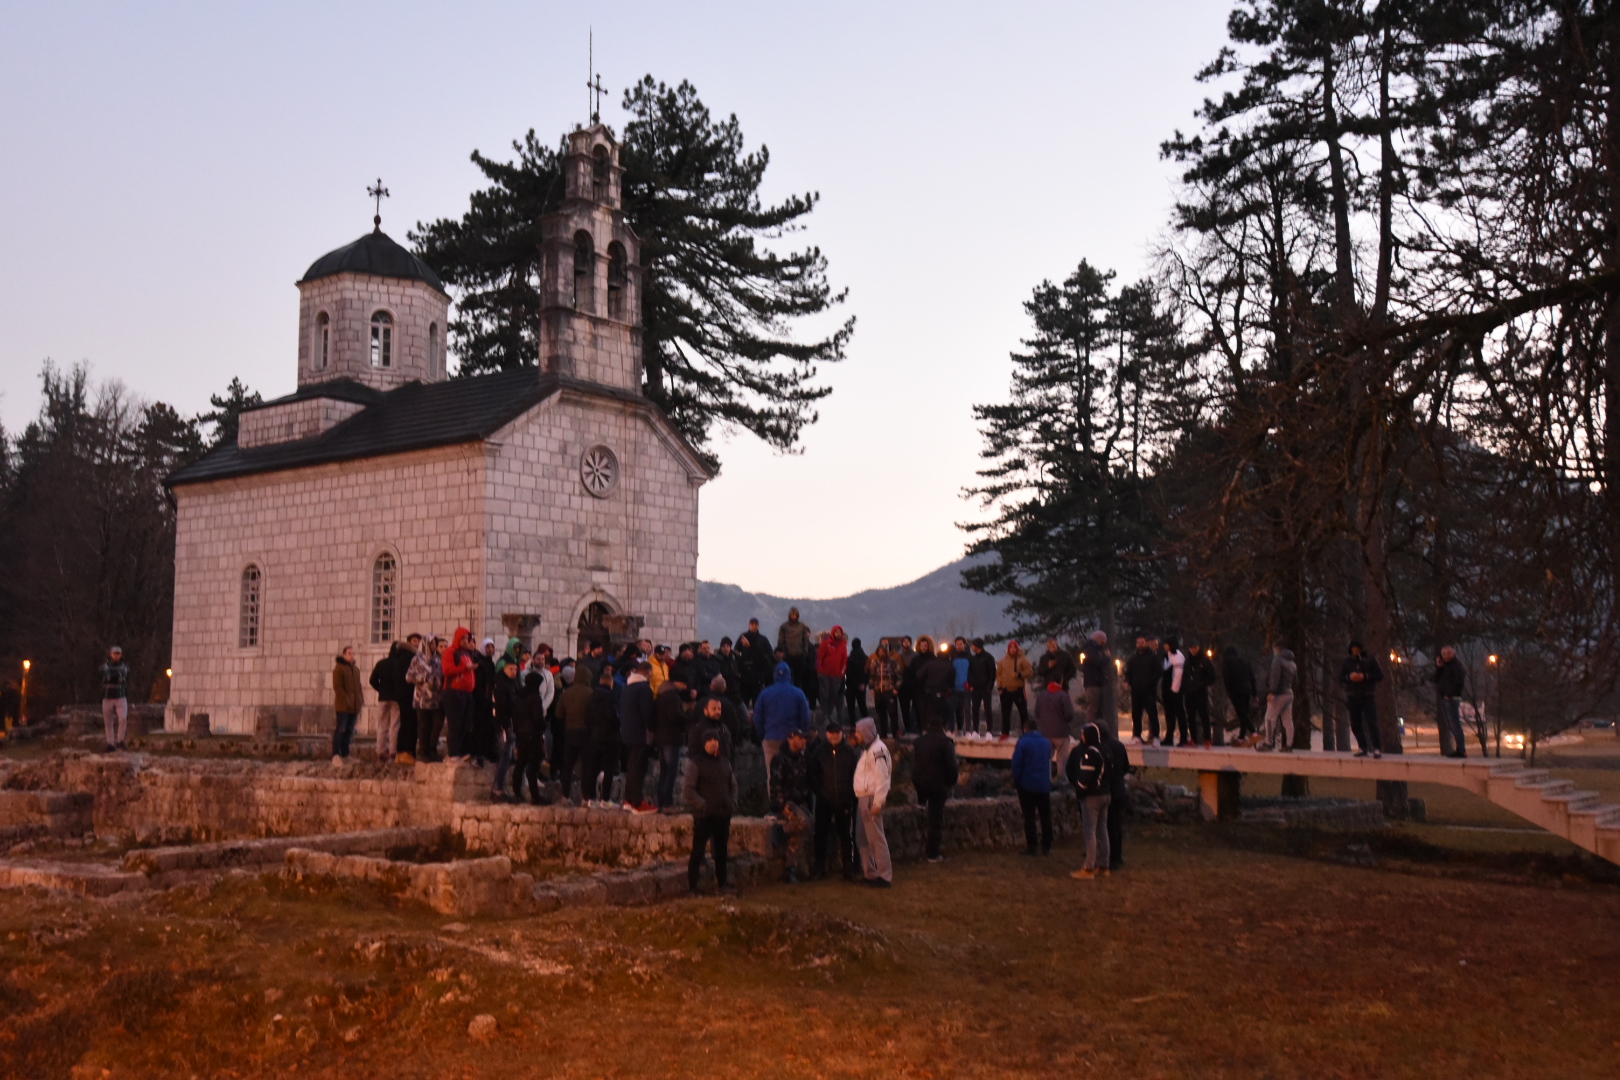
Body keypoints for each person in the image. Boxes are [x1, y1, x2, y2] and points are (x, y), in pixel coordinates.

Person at [684, 726, 738, 894]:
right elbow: (688, 790)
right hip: (705, 815)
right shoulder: (696, 764)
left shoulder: (724, 762)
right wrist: (703, 805)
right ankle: (693, 886)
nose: (714, 743)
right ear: (704, 743)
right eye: (710, 740)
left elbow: (732, 784)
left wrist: (732, 803)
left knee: (721, 851)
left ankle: (722, 883)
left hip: (723, 813)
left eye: (715, 740)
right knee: (698, 851)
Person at [807, 722, 859, 880]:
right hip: (825, 800)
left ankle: (848, 868)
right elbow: (813, 775)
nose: (834, 737)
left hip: (844, 799)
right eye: (831, 734)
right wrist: (820, 792)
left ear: (842, 733)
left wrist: (850, 793)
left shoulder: (850, 752)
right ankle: (819, 867)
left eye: (837, 733)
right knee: (820, 835)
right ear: (827, 734)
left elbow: (856, 775)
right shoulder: (819, 752)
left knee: (846, 836)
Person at [754, 661, 811, 788]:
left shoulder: (765, 693)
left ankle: (775, 804)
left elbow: (757, 718)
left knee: (772, 774)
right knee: (796, 773)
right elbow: (805, 718)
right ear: (789, 675)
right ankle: (795, 803)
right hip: (793, 739)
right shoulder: (798, 693)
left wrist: (763, 735)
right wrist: (802, 736)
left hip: (771, 738)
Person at [912, 713, 959, 862]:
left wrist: (917, 784)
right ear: (942, 727)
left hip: (921, 785)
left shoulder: (919, 742)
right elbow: (952, 767)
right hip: (939, 785)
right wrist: (950, 783)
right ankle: (933, 853)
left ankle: (921, 849)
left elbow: (914, 765)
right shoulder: (946, 742)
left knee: (926, 817)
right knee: (935, 820)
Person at [1066, 722, 1111, 880]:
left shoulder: (1090, 753)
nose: (1082, 736)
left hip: (1093, 796)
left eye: (1083, 733)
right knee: (1102, 829)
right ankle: (1104, 864)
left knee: (1090, 831)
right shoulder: (1105, 750)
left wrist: (1079, 790)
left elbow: (1085, 777)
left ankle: (1089, 867)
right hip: (1106, 793)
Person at [851, 717, 893, 887]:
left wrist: (878, 802)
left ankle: (884, 875)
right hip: (863, 797)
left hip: (870, 798)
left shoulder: (877, 751)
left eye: (858, 732)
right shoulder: (868, 750)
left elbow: (882, 778)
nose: (856, 736)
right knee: (862, 838)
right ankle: (870, 873)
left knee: (876, 838)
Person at [769, 726, 814, 882]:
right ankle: (781, 831)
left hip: (800, 801)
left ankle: (791, 868)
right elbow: (775, 783)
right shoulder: (780, 758)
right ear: (791, 738)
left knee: (800, 832)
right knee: (802, 822)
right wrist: (781, 805)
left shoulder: (802, 758)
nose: (803, 741)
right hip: (787, 802)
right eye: (800, 738)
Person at [1010, 718, 1053, 856]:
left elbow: (1016, 764)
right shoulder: (1046, 743)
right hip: (1043, 784)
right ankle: (1047, 845)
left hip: (1027, 784)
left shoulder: (1022, 743)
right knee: (1045, 816)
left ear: (1025, 729)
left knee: (1029, 817)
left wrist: (1016, 781)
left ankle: (1032, 846)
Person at [620, 661, 657, 813]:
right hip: (640, 733)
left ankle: (629, 800)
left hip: (627, 732)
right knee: (638, 768)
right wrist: (653, 728)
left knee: (631, 767)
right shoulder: (644, 689)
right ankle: (636, 802)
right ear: (647, 673)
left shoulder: (627, 688)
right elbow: (647, 713)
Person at [582, 665, 621, 806]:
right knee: (609, 770)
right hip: (610, 738)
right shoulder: (611, 698)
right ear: (611, 683)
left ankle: (591, 798)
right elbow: (613, 717)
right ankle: (605, 799)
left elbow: (586, 717)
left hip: (594, 736)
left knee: (593, 768)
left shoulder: (591, 697)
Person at [1340, 641, 1385, 758]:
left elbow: (1379, 675)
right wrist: (1349, 677)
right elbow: (1340, 677)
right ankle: (1363, 747)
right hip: (1353, 696)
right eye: (1353, 649)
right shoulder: (1347, 662)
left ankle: (1377, 748)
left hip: (1368, 695)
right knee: (1355, 724)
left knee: (1372, 723)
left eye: (1357, 649)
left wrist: (1365, 676)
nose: (1355, 652)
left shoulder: (1370, 660)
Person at [440, 628, 478, 762]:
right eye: (463, 638)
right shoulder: (450, 652)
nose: (465, 641)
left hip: (466, 693)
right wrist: (466, 668)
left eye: (467, 639)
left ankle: (461, 751)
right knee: (455, 724)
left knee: (465, 723)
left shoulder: (466, 653)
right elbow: (447, 670)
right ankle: (453, 753)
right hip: (453, 692)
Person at [511, 670, 549, 804]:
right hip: (533, 736)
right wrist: (544, 726)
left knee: (520, 764)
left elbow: (514, 717)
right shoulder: (535, 697)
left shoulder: (518, 697)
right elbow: (537, 718)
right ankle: (535, 796)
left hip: (521, 735)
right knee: (533, 767)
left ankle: (517, 794)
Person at [654, 675, 690, 810]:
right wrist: (687, 718)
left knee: (664, 772)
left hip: (661, 738)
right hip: (671, 738)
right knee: (671, 771)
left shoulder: (660, 697)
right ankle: (668, 802)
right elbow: (675, 716)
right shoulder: (673, 697)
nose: (685, 687)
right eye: (683, 683)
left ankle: (661, 802)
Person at [408, 635, 444, 762]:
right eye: (432, 644)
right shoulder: (417, 660)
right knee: (424, 725)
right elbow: (409, 677)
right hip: (422, 698)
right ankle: (424, 752)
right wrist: (424, 678)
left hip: (437, 698)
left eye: (435, 644)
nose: (434, 646)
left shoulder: (438, 660)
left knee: (437, 724)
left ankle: (433, 749)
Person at [1101, 718, 1130, 871]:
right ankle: (1118, 855)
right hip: (1119, 789)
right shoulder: (1119, 746)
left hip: (1107, 789)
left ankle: (1109, 857)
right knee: (1117, 825)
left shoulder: (1100, 747)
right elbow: (1126, 767)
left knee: (1106, 826)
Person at [490, 656, 519, 799]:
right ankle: (497, 789)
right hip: (504, 725)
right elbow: (500, 707)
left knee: (508, 756)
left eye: (515, 669)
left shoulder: (513, 684)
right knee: (505, 756)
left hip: (511, 723)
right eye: (510, 669)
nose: (514, 672)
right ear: (504, 669)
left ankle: (499, 787)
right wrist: (506, 726)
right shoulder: (501, 685)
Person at [1034, 680, 1076, 778]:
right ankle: (1061, 779)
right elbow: (1069, 715)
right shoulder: (1063, 695)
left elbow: (1037, 714)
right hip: (1061, 733)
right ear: (1060, 683)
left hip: (1045, 733)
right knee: (1062, 758)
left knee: (1046, 757)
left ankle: (1045, 778)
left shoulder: (1041, 696)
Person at [1260, 645, 1298, 752]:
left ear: (1277, 649)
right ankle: (1289, 745)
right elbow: (1296, 681)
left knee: (1269, 717)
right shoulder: (1293, 664)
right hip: (1289, 693)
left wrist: (1272, 692)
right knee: (1288, 721)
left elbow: (1275, 677)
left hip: (1279, 693)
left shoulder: (1278, 660)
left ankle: (1268, 743)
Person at [1125, 637, 1161, 745]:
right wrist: (1128, 681)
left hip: (1149, 690)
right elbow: (1128, 671)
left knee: (1152, 713)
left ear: (1146, 643)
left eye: (1142, 643)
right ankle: (1136, 735)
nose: (1140, 645)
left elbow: (1159, 671)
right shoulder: (1133, 657)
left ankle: (1155, 736)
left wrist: (1150, 682)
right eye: (1138, 643)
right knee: (1136, 714)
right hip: (1136, 690)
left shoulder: (1152, 657)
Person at [1435, 645, 1469, 758]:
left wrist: (1450, 695)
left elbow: (1459, 682)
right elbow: (1435, 679)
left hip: (1452, 698)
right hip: (1445, 697)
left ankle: (1461, 750)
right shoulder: (1445, 667)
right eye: (1444, 654)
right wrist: (1439, 667)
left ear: (1453, 654)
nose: (1446, 656)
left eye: (1448, 653)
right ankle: (1459, 749)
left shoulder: (1456, 666)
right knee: (1451, 725)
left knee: (1455, 724)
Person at [331, 645, 363, 765]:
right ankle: (335, 755)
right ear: (344, 655)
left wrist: (360, 700)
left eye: (353, 653)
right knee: (341, 729)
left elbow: (358, 687)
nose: (351, 655)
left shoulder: (355, 670)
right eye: (349, 653)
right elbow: (338, 687)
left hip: (354, 706)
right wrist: (346, 701)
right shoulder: (339, 669)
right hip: (343, 706)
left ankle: (345, 754)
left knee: (349, 731)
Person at [815, 624, 850, 730]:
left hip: (836, 675)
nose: (838, 634)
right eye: (836, 632)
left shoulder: (843, 645)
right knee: (824, 694)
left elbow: (844, 660)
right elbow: (820, 658)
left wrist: (842, 673)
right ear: (833, 633)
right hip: (825, 674)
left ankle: (829, 714)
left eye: (840, 633)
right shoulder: (826, 643)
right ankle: (824, 714)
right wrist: (820, 671)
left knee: (833, 695)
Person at [996, 641, 1034, 737]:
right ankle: (1005, 733)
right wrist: (1000, 687)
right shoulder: (1002, 661)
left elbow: (1029, 672)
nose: (1013, 649)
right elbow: (998, 674)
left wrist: (1020, 675)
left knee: (1023, 713)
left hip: (1018, 689)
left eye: (1014, 647)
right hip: (1005, 690)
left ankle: (1026, 732)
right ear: (1008, 649)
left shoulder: (1023, 660)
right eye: (1011, 647)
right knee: (1005, 713)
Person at [918, 638, 956, 733]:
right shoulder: (949, 666)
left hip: (929, 691)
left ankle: (927, 729)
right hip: (942, 692)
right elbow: (952, 680)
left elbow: (919, 675)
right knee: (942, 712)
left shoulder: (930, 664)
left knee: (929, 711)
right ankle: (941, 729)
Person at [1184, 643, 1217, 747]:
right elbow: (1185, 675)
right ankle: (1193, 739)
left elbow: (1212, 676)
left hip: (1201, 692)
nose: (1193, 650)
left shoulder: (1205, 660)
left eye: (1195, 647)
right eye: (1191, 648)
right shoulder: (1188, 660)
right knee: (1190, 716)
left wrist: (1202, 684)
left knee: (1204, 715)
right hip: (1189, 692)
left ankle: (1207, 739)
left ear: (1199, 648)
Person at [98, 645, 130, 752]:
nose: (116, 656)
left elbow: (123, 678)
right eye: (114, 653)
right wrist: (114, 677)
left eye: (118, 654)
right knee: (108, 722)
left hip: (120, 696)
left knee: (123, 718)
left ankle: (120, 740)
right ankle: (110, 743)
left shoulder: (124, 666)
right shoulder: (105, 666)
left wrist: (114, 677)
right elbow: (105, 677)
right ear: (110, 654)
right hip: (107, 696)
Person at [1223, 646, 1257, 743]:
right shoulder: (1245, 662)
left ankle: (1253, 732)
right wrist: (1254, 693)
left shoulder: (1227, 662)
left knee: (1241, 713)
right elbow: (1252, 678)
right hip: (1247, 690)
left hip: (1236, 690)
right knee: (1244, 713)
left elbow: (1226, 677)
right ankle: (1241, 738)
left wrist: (1228, 691)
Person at [1079, 631, 1112, 730]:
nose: (1103, 644)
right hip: (1093, 683)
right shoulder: (1090, 650)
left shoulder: (1095, 650)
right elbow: (1098, 662)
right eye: (1103, 641)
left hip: (1096, 682)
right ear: (1099, 639)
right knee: (1092, 709)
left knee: (1097, 710)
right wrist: (1107, 657)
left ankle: (1095, 730)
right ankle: (1088, 730)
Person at [737, 618, 773, 707]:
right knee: (743, 704)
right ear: (749, 625)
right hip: (744, 675)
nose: (753, 626)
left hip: (757, 675)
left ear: (758, 625)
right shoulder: (743, 637)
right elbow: (736, 651)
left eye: (755, 624)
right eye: (752, 624)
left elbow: (769, 654)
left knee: (757, 704)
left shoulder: (763, 639)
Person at [866, 642, 900, 737]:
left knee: (892, 713)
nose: (881, 653)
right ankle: (883, 733)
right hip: (878, 691)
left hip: (889, 690)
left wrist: (896, 688)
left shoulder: (893, 662)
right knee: (881, 713)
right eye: (879, 651)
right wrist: (871, 687)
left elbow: (899, 676)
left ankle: (895, 732)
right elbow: (871, 676)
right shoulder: (875, 662)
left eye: (883, 651)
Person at [777, 607, 814, 693]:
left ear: (797, 615)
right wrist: (783, 653)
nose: (794, 616)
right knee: (788, 677)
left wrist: (804, 652)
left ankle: (797, 695)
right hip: (787, 656)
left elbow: (805, 640)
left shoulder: (802, 626)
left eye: (795, 614)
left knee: (798, 679)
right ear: (789, 615)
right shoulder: (784, 626)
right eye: (792, 614)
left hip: (799, 656)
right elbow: (781, 641)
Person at [1160, 637, 1189, 747]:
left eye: (1166, 644)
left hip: (1175, 690)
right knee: (1169, 714)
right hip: (1167, 690)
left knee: (1180, 713)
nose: (1165, 646)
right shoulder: (1168, 655)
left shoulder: (1178, 657)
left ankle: (1183, 738)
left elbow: (1178, 676)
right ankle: (1169, 737)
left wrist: (1174, 690)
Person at [844, 636, 870, 722]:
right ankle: (867, 724)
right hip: (862, 686)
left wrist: (855, 683)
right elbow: (868, 672)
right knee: (863, 706)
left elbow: (848, 673)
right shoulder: (866, 658)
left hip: (851, 686)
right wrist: (864, 683)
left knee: (851, 708)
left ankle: (853, 725)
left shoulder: (850, 658)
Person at [897, 636, 918, 733]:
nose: (906, 643)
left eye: (908, 641)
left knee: (916, 707)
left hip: (914, 685)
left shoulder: (916, 656)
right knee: (904, 708)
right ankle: (907, 728)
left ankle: (915, 727)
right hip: (903, 686)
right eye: (904, 641)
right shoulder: (899, 656)